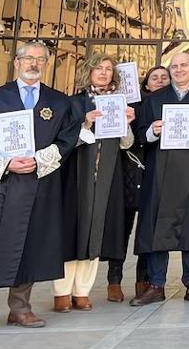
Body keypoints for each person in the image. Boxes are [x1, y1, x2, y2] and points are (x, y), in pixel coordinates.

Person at [0, 41, 80, 333]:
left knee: (31, 244)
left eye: (40, 60)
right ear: (17, 62)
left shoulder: (59, 102)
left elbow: (67, 140)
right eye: (28, 58)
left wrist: (39, 161)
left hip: (39, 184)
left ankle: (20, 308)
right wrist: (6, 164)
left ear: (47, 64)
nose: (34, 64)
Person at [130, 52, 189, 306]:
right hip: (160, 174)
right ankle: (156, 284)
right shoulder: (156, 99)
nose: (179, 70)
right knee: (157, 227)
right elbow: (139, 135)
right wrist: (152, 130)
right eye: (175, 66)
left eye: (184, 65)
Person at [56, 53, 136, 313]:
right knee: (73, 230)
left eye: (108, 69)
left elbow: (126, 144)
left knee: (95, 231)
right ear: (88, 72)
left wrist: (127, 122)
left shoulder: (119, 103)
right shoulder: (73, 103)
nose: (103, 72)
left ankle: (82, 291)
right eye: (98, 68)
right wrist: (86, 123)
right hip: (77, 176)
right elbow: (64, 142)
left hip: (106, 176)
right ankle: (62, 292)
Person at [107, 66, 168, 300]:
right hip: (130, 173)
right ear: (146, 84)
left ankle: (144, 279)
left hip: (156, 174)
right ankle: (114, 280)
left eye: (165, 78)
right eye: (155, 78)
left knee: (148, 231)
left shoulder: (173, 107)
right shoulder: (133, 106)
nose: (160, 81)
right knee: (120, 228)